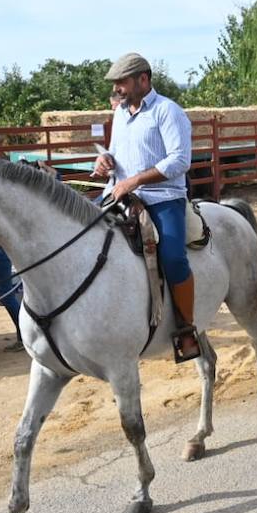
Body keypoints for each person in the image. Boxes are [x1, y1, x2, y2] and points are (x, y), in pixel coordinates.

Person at [91, 52, 199, 363]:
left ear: (143, 79)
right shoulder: (121, 114)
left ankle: (186, 328)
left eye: (122, 82)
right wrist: (104, 162)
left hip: (163, 197)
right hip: (120, 192)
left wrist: (135, 180)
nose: (117, 89)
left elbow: (180, 160)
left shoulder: (168, 111)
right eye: (116, 83)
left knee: (174, 257)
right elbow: (115, 153)